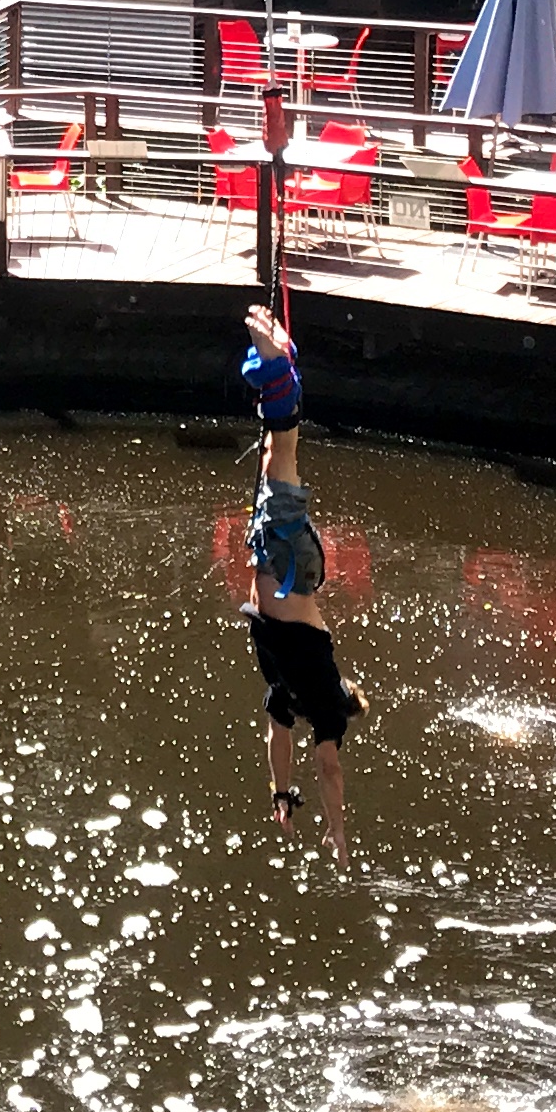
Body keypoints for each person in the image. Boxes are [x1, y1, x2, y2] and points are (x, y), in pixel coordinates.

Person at [235, 302, 367, 854]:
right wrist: (337, 832)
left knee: (275, 454)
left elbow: (276, 740)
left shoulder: (286, 696)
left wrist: (281, 793)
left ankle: (282, 363)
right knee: (280, 460)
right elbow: (331, 770)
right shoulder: (328, 707)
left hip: (275, 565)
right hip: (292, 568)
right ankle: (277, 367)